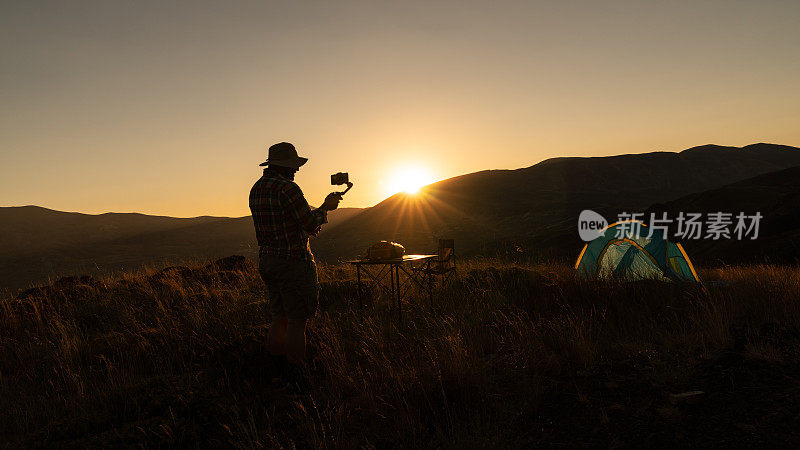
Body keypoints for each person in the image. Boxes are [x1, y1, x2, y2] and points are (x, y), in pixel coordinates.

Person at [249, 142, 341, 388]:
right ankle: (296, 377)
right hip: (293, 262)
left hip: (268, 261)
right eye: (293, 166)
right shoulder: (288, 188)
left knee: (279, 316)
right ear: (284, 166)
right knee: (297, 320)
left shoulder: (256, 189)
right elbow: (310, 224)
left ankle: (275, 371)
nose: (296, 171)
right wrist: (325, 208)